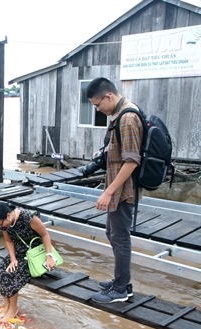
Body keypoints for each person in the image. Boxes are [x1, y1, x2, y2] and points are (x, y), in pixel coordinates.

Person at [86, 77, 142, 303]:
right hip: (118, 189)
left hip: (123, 190)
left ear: (109, 96)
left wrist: (108, 191)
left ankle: (120, 289)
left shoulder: (127, 118)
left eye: (98, 105)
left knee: (120, 238)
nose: (98, 110)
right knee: (113, 234)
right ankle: (122, 282)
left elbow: (132, 161)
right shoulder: (119, 115)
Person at [0, 202, 58, 321]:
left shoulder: (29, 218)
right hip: (19, 252)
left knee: (10, 275)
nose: (1, 227)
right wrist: (13, 259)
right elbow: (9, 241)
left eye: (0, 225)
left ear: (8, 216)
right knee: (1, 272)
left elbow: (45, 235)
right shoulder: (5, 224)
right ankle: (7, 305)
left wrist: (49, 256)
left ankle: (13, 309)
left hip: (34, 253)